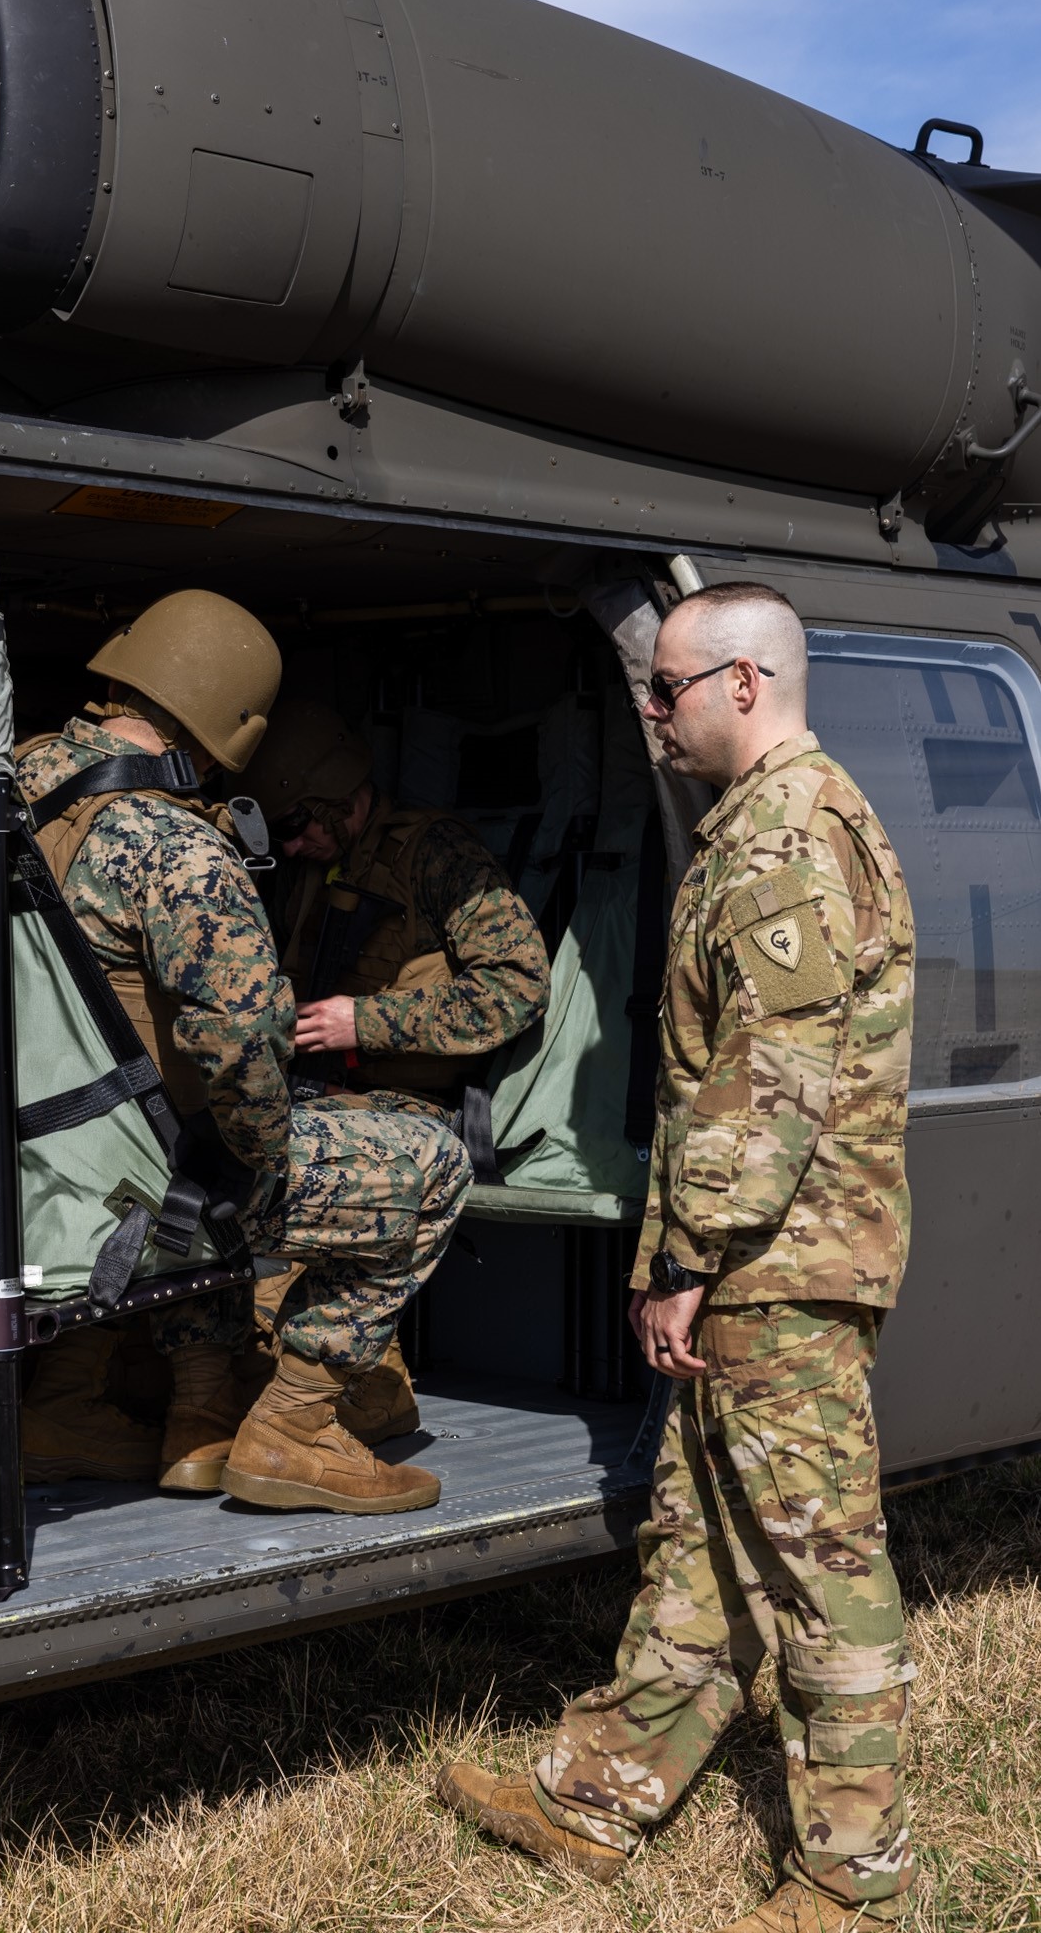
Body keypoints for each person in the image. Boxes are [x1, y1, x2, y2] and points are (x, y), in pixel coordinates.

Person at [436, 582, 917, 1933]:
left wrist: (687, 1259)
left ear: (745, 686)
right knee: (699, 1535)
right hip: (755, 1259)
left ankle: (850, 1872)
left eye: (669, 692)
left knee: (817, 1565)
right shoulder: (756, 827)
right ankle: (598, 1793)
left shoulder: (784, 842)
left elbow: (770, 1088)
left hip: (781, 1267)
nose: (649, 716)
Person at [12, 590, 472, 1509]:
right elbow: (241, 1037)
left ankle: (181, 1414)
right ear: (231, 724)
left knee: (201, 1137)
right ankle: (294, 1431)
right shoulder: (175, 847)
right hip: (121, 1188)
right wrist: (253, 1160)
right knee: (429, 1157)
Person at [235, 699, 551, 1440]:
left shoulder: (435, 852)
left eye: (299, 826)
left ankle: (343, 1399)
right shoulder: (310, 865)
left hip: (417, 1107)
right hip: (321, 1094)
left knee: (298, 1199)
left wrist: (364, 1020)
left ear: (341, 799)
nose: (293, 845)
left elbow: (517, 988)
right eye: (279, 833)